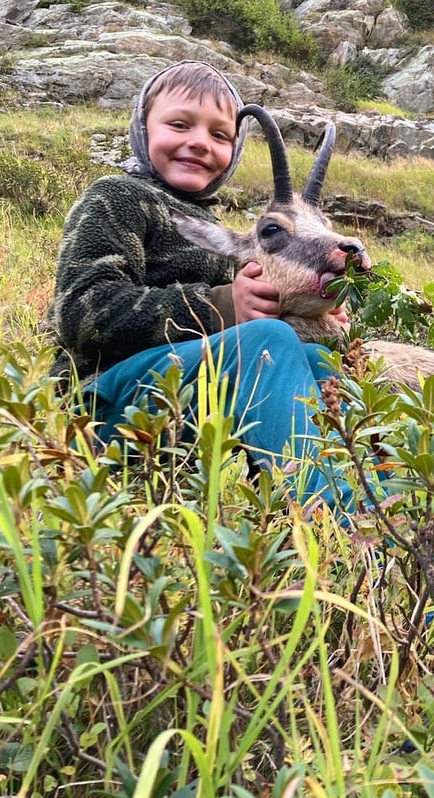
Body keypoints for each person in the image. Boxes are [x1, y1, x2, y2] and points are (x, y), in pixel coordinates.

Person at [49, 59, 353, 513]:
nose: (198, 142)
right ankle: (343, 520)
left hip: (177, 402)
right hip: (98, 407)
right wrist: (222, 305)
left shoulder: (211, 230)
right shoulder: (117, 196)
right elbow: (82, 311)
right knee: (266, 342)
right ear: (142, 129)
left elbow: (233, 338)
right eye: (178, 124)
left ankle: (385, 507)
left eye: (219, 135)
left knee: (314, 357)